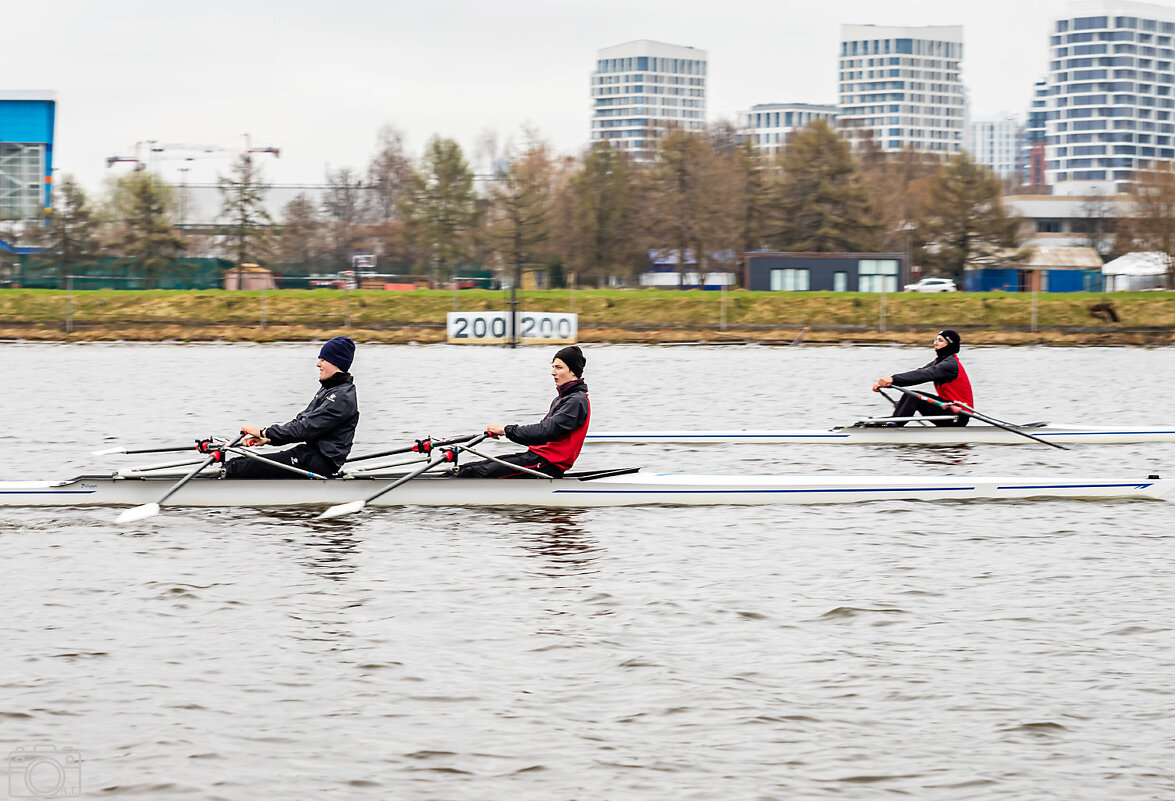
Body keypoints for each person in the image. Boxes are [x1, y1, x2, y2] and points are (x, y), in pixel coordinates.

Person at [224, 336, 360, 478]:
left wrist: (265, 432)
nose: (318, 364)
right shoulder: (330, 389)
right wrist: (270, 439)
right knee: (239, 462)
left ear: (336, 363)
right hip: (308, 455)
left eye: (323, 360)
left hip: (318, 462)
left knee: (238, 467)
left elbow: (304, 428)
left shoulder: (341, 397)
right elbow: (301, 422)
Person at [456, 345, 591, 478]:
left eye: (559, 367)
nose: (553, 372)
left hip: (547, 464)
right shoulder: (562, 398)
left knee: (473, 473)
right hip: (536, 458)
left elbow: (545, 431)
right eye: (553, 367)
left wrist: (506, 430)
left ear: (573, 371)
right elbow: (537, 436)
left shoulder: (576, 401)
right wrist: (507, 432)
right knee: (467, 468)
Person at [872, 329, 973, 427]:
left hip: (958, 415)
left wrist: (893, 379)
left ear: (950, 345)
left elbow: (922, 375)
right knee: (908, 396)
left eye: (940, 340)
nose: (935, 343)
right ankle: (894, 423)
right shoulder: (939, 362)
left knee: (913, 396)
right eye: (936, 340)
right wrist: (887, 384)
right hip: (948, 409)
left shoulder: (949, 365)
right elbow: (918, 372)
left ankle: (893, 428)